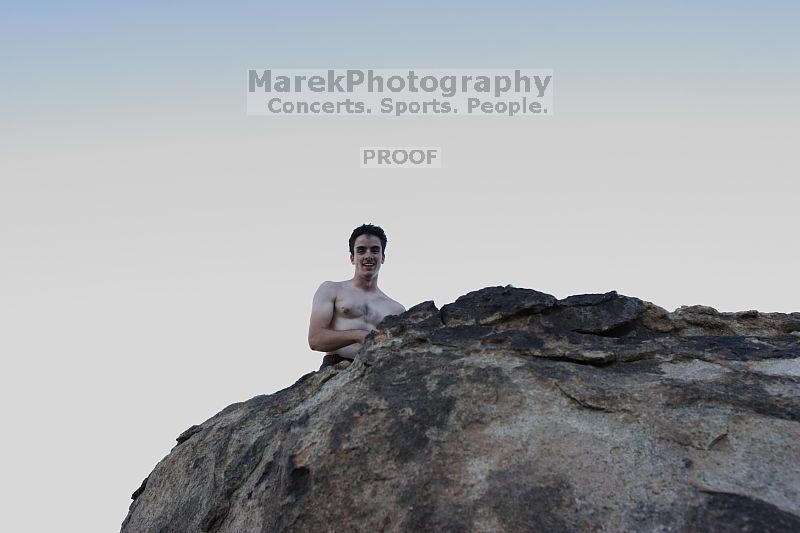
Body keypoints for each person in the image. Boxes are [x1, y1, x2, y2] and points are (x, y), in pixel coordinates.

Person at [308, 224, 405, 369]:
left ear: (382, 257)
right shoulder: (331, 289)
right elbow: (315, 340)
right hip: (336, 366)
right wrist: (358, 335)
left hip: (376, 369)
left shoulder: (396, 309)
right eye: (361, 250)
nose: (368, 255)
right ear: (352, 258)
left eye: (374, 250)